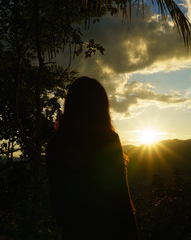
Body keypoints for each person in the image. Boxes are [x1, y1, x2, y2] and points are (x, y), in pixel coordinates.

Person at [47, 77, 138, 240]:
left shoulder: (56, 143)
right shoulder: (106, 139)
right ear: (101, 108)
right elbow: (121, 199)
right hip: (108, 231)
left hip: (74, 232)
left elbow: (56, 200)